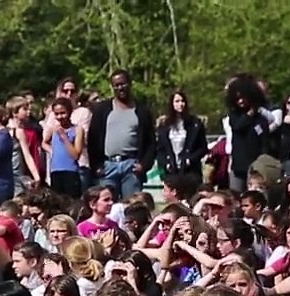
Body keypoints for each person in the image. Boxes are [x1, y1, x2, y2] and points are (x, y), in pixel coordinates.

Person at [86, 70, 156, 200]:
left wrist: (144, 165)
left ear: (129, 84)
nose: (120, 88)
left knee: (132, 208)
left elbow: (151, 142)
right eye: (116, 85)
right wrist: (96, 166)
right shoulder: (102, 109)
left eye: (123, 84)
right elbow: (93, 140)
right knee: (106, 207)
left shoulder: (142, 111)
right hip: (108, 166)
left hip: (131, 166)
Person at [155, 90, 208, 184]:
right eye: (177, 101)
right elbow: (160, 149)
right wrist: (165, 164)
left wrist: (190, 160)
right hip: (171, 171)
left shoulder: (195, 123)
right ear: (172, 104)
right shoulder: (164, 125)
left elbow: (203, 148)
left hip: (190, 171)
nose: (181, 104)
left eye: (183, 101)